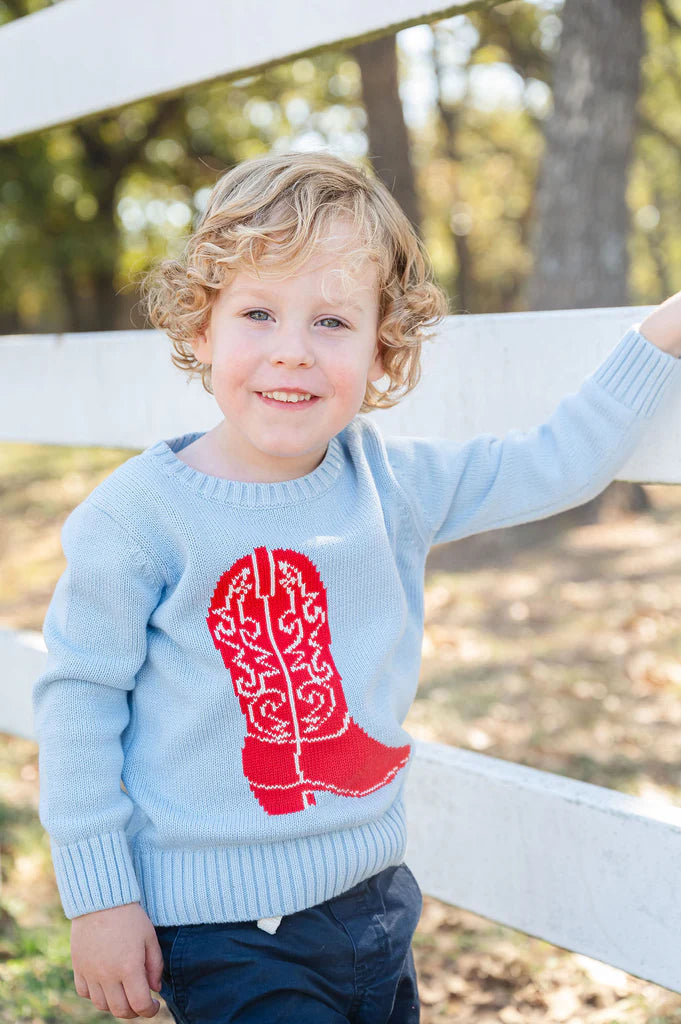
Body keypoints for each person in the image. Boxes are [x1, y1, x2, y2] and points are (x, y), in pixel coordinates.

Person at [32, 149, 681, 1024]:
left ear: (383, 348)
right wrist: (99, 896)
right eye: (258, 313)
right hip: (221, 928)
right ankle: (284, 746)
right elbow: (78, 705)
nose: (291, 353)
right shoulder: (140, 516)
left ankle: (313, 746)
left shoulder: (388, 484)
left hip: (373, 899)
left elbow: (552, 465)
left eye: (332, 323)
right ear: (200, 330)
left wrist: (662, 335)